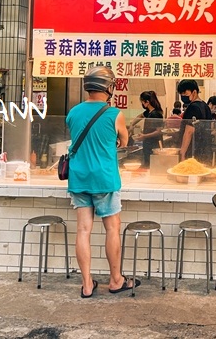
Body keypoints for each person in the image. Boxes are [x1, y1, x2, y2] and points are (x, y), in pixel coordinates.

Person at [66, 66, 134, 298]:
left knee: (83, 230)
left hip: (79, 178)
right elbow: (124, 141)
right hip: (104, 178)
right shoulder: (114, 114)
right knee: (112, 228)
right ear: (108, 87)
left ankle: (87, 284)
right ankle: (116, 280)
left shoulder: (73, 112)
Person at [177, 79, 213, 160]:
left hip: (193, 152)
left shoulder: (193, 107)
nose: (183, 96)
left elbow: (189, 132)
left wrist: (182, 153)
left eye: (185, 93)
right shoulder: (205, 106)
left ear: (194, 92)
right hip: (204, 150)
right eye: (181, 94)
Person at [132, 91, 164, 167]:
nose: (142, 104)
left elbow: (158, 131)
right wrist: (131, 125)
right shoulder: (149, 112)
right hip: (148, 144)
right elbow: (140, 116)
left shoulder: (155, 114)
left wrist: (144, 136)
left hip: (154, 145)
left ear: (147, 102)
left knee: (152, 166)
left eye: (142, 102)